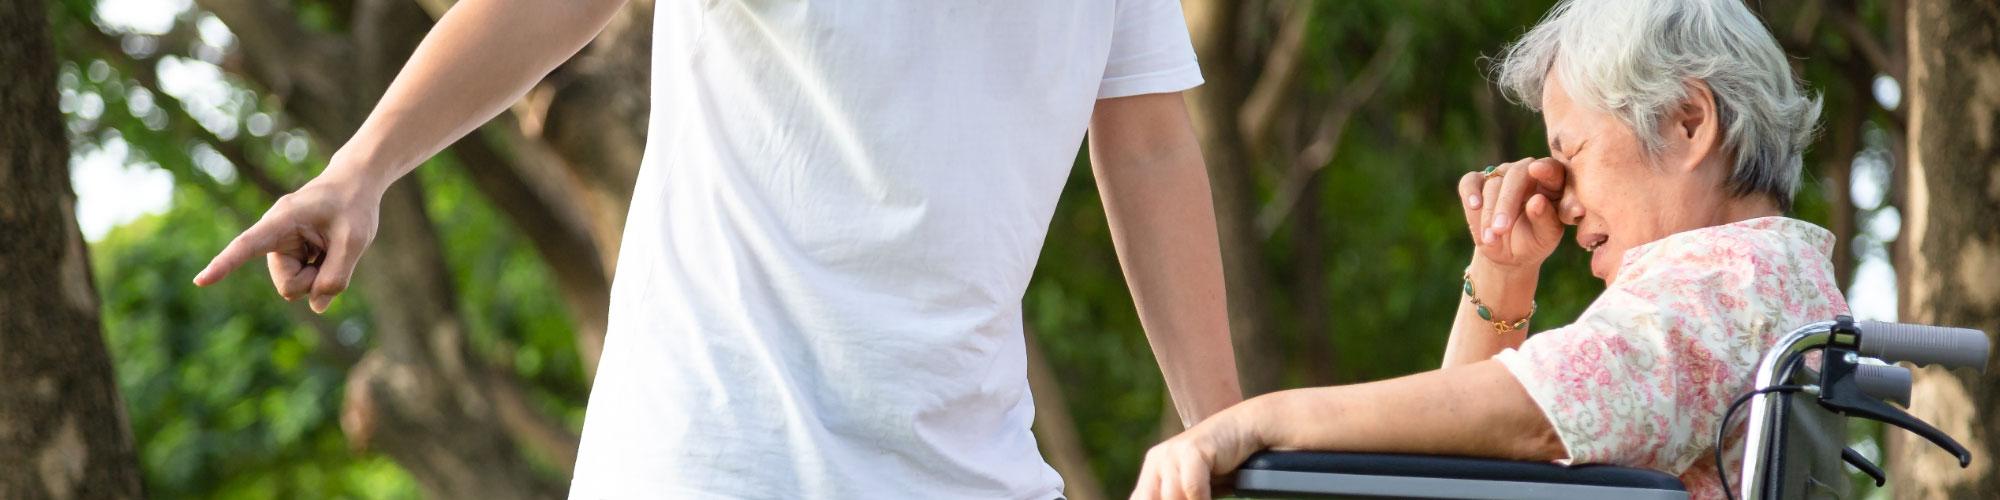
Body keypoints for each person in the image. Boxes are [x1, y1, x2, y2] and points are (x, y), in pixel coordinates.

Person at [190, 0, 1243, 498]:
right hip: (714, 457)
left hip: (970, 471)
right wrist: (361, 166)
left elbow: (1148, 146)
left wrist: (1230, 434)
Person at [1129, 1, 1838, 499]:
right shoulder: (1775, 281)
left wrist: (1255, 420)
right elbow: (1468, 452)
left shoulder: (1718, 287)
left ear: (1689, 122)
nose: (1559, 190)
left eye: (1573, 149)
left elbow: (1529, 415)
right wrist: (1504, 268)